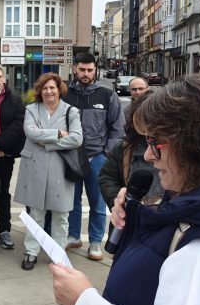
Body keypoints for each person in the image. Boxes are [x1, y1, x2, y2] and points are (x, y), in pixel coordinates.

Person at [50, 75, 200, 305]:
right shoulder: (190, 206)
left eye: (157, 143)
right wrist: (137, 217)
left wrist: (85, 301)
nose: (148, 155)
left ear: (196, 144)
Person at [15, 73, 83, 271]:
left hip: (60, 168)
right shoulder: (31, 109)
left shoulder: (71, 111)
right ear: (39, 90)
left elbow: (77, 139)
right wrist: (59, 134)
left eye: (52, 87)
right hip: (34, 167)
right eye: (44, 88)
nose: (48, 91)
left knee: (61, 215)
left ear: (59, 89)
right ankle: (31, 252)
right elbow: (30, 132)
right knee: (35, 212)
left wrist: (48, 144)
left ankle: (58, 254)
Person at [64, 53, 125, 261]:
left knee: (98, 202)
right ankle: (73, 236)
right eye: (82, 70)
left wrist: (106, 153)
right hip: (71, 156)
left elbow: (117, 128)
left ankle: (96, 242)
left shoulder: (107, 95)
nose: (86, 74)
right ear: (75, 69)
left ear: (95, 70)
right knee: (71, 200)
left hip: (97, 157)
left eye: (90, 70)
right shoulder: (65, 94)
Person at [98, 91, 163, 213]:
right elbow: (107, 177)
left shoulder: (178, 147)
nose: (149, 156)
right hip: (132, 216)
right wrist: (118, 201)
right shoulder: (125, 147)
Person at [0, 65, 26, 249]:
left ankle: (4, 230)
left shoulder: (15, 99)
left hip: (4, 153)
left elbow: (18, 125)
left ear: (4, 78)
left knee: (2, 192)